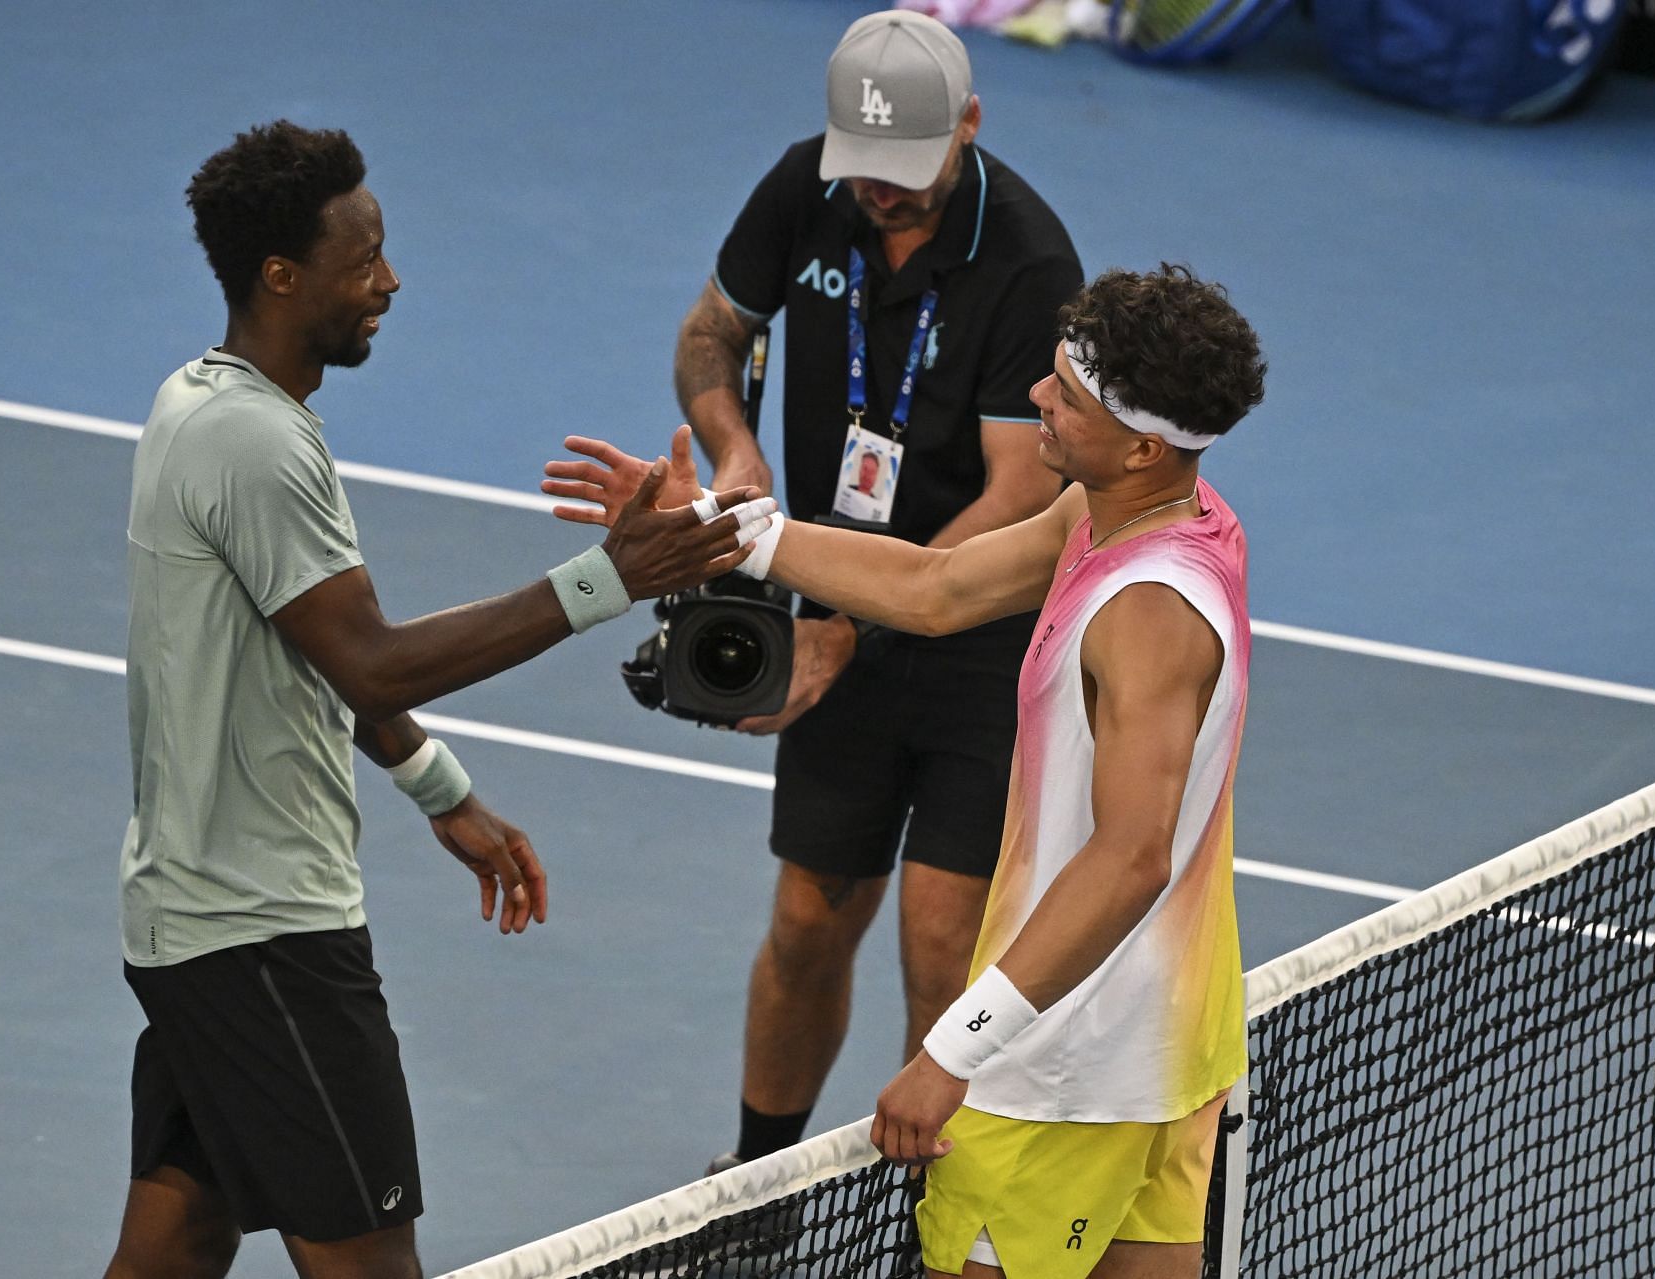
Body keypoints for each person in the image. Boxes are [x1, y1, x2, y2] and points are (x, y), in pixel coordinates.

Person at [104, 121, 772, 1279]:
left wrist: (440, 789)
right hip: (266, 937)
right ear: (280, 275)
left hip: (195, 924)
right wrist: (614, 576)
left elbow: (311, 655)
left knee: (177, 1238)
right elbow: (369, 660)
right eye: (363, 259)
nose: (390, 281)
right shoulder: (256, 445)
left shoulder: (201, 406)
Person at [541, 262, 1266, 1278]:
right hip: (1167, 1052)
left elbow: (1133, 855)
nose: (1036, 397)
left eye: (1066, 391)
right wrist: (727, 527)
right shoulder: (1150, 513)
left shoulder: (1146, 611)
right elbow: (935, 587)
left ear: (1144, 442)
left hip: (1054, 1075)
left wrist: (955, 1049)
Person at [570, 7, 1085, 1171]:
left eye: (907, 175)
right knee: (808, 920)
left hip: (976, 639)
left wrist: (845, 618)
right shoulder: (807, 187)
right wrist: (735, 452)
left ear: (970, 126)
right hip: (829, 598)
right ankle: (756, 1182)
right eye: (866, 173)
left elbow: (1017, 493)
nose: (882, 196)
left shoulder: (1031, 260)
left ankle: (930, 1213)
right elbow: (710, 336)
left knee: (942, 943)